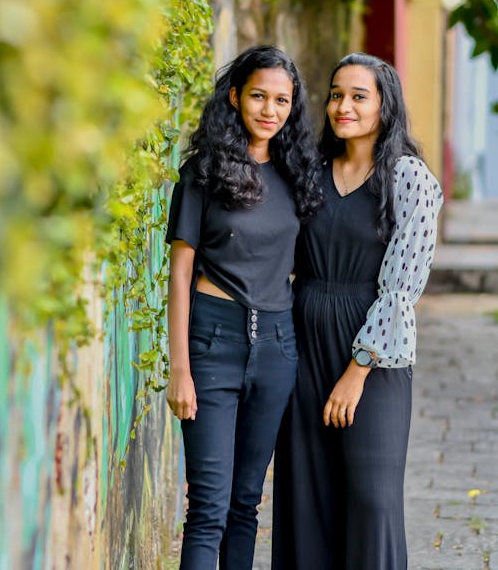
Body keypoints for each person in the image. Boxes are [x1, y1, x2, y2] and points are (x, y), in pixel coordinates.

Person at [272, 52, 443, 570]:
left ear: (385, 106)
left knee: (372, 496)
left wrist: (357, 370)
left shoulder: (409, 178)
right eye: (336, 94)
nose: (343, 106)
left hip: (375, 350)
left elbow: (401, 289)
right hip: (303, 340)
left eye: (358, 96)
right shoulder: (308, 173)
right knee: (308, 495)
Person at [165, 45, 323, 570]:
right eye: (258, 96)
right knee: (208, 506)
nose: (269, 110)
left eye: (282, 100)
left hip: (278, 347)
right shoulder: (201, 175)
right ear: (235, 97)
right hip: (213, 342)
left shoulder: (298, 175)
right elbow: (181, 274)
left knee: (244, 504)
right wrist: (180, 370)